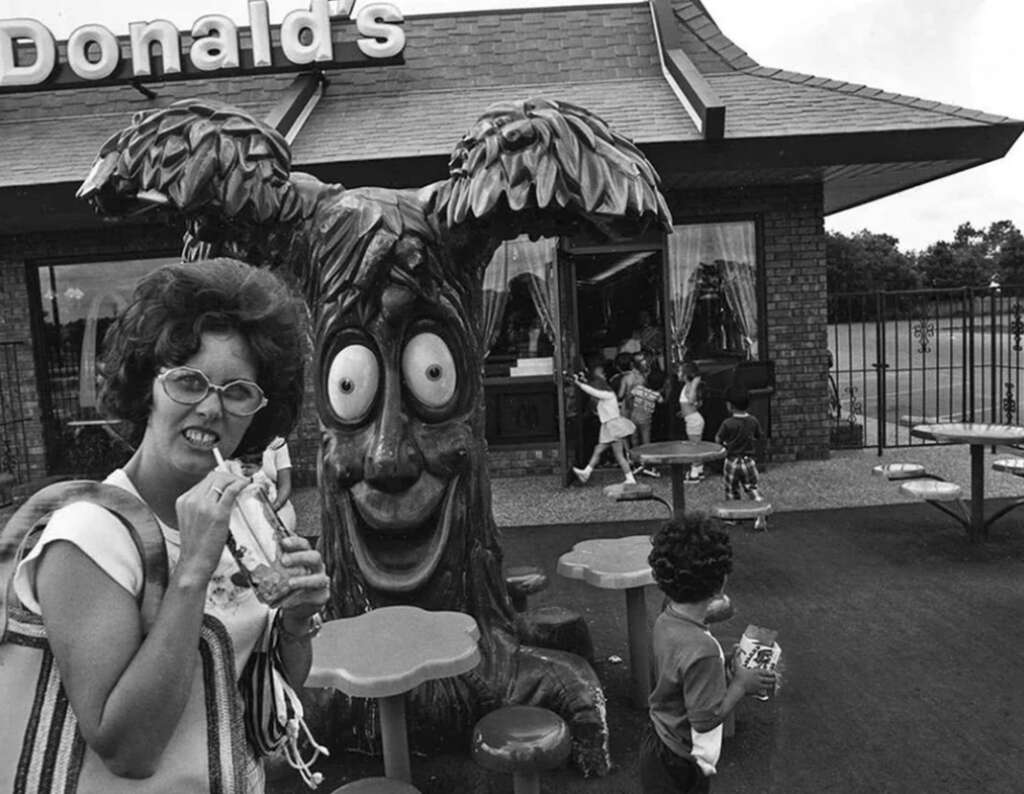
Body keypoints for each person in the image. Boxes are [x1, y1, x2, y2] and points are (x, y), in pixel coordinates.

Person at [10, 258, 327, 790]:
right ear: (148, 389)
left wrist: (295, 625)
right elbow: (128, 751)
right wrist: (193, 571)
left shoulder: (246, 520)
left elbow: (262, 692)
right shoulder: (89, 537)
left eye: (238, 391)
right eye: (188, 381)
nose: (210, 407)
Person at [642, 514, 774, 793]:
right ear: (721, 582)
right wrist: (740, 685)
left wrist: (724, 667)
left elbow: (681, 674)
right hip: (680, 758)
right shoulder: (702, 650)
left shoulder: (666, 619)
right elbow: (705, 720)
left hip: (658, 739)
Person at [571, 360, 637, 485]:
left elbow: (592, 391)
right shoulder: (607, 394)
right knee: (611, 453)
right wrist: (582, 380)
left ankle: (587, 472)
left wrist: (579, 384)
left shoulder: (607, 395)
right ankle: (629, 477)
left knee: (604, 451)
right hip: (610, 426)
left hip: (612, 426)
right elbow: (592, 388)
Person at [714, 385, 766, 529]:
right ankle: (760, 509)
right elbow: (759, 436)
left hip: (731, 461)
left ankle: (733, 517)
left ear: (730, 406)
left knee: (731, 489)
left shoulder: (727, 423)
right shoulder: (753, 421)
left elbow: (718, 439)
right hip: (748, 461)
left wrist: (724, 444)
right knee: (751, 488)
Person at [239, 436, 300, 537]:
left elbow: (285, 485)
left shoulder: (276, 442)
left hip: (274, 503)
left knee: (280, 534)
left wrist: (272, 509)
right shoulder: (227, 444)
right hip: (242, 507)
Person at [678, 362, 706, 482]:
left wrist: (695, 383)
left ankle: (694, 474)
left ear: (686, 375)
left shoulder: (690, 386)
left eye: (680, 371)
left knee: (694, 447)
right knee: (696, 445)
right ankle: (699, 470)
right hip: (693, 418)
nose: (677, 374)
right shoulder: (687, 386)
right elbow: (694, 404)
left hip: (693, 420)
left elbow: (691, 400)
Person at [629, 367, 665, 449]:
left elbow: (630, 396)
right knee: (646, 436)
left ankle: (635, 452)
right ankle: (646, 453)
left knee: (634, 436)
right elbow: (662, 401)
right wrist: (663, 390)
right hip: (646, 418)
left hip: (634, 415)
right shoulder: (656, 395)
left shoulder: (639, 388)